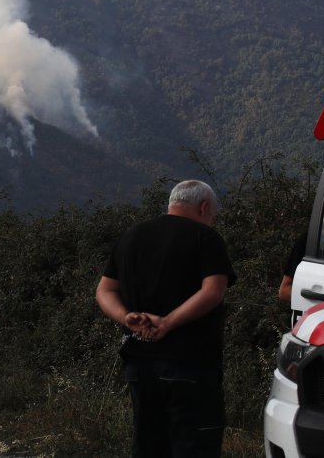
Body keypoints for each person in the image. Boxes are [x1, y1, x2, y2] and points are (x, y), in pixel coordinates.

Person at [96, 179, 237, 457]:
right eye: (212, 215)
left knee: (148, 443)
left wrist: (128, 318)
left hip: (139, 362)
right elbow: (214, 290)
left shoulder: (132, 235)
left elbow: (104, 290)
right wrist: (167, 322)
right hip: (190, 362)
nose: (211, 221)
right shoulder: (205, 237)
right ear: (204, 207)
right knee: (194, 445)